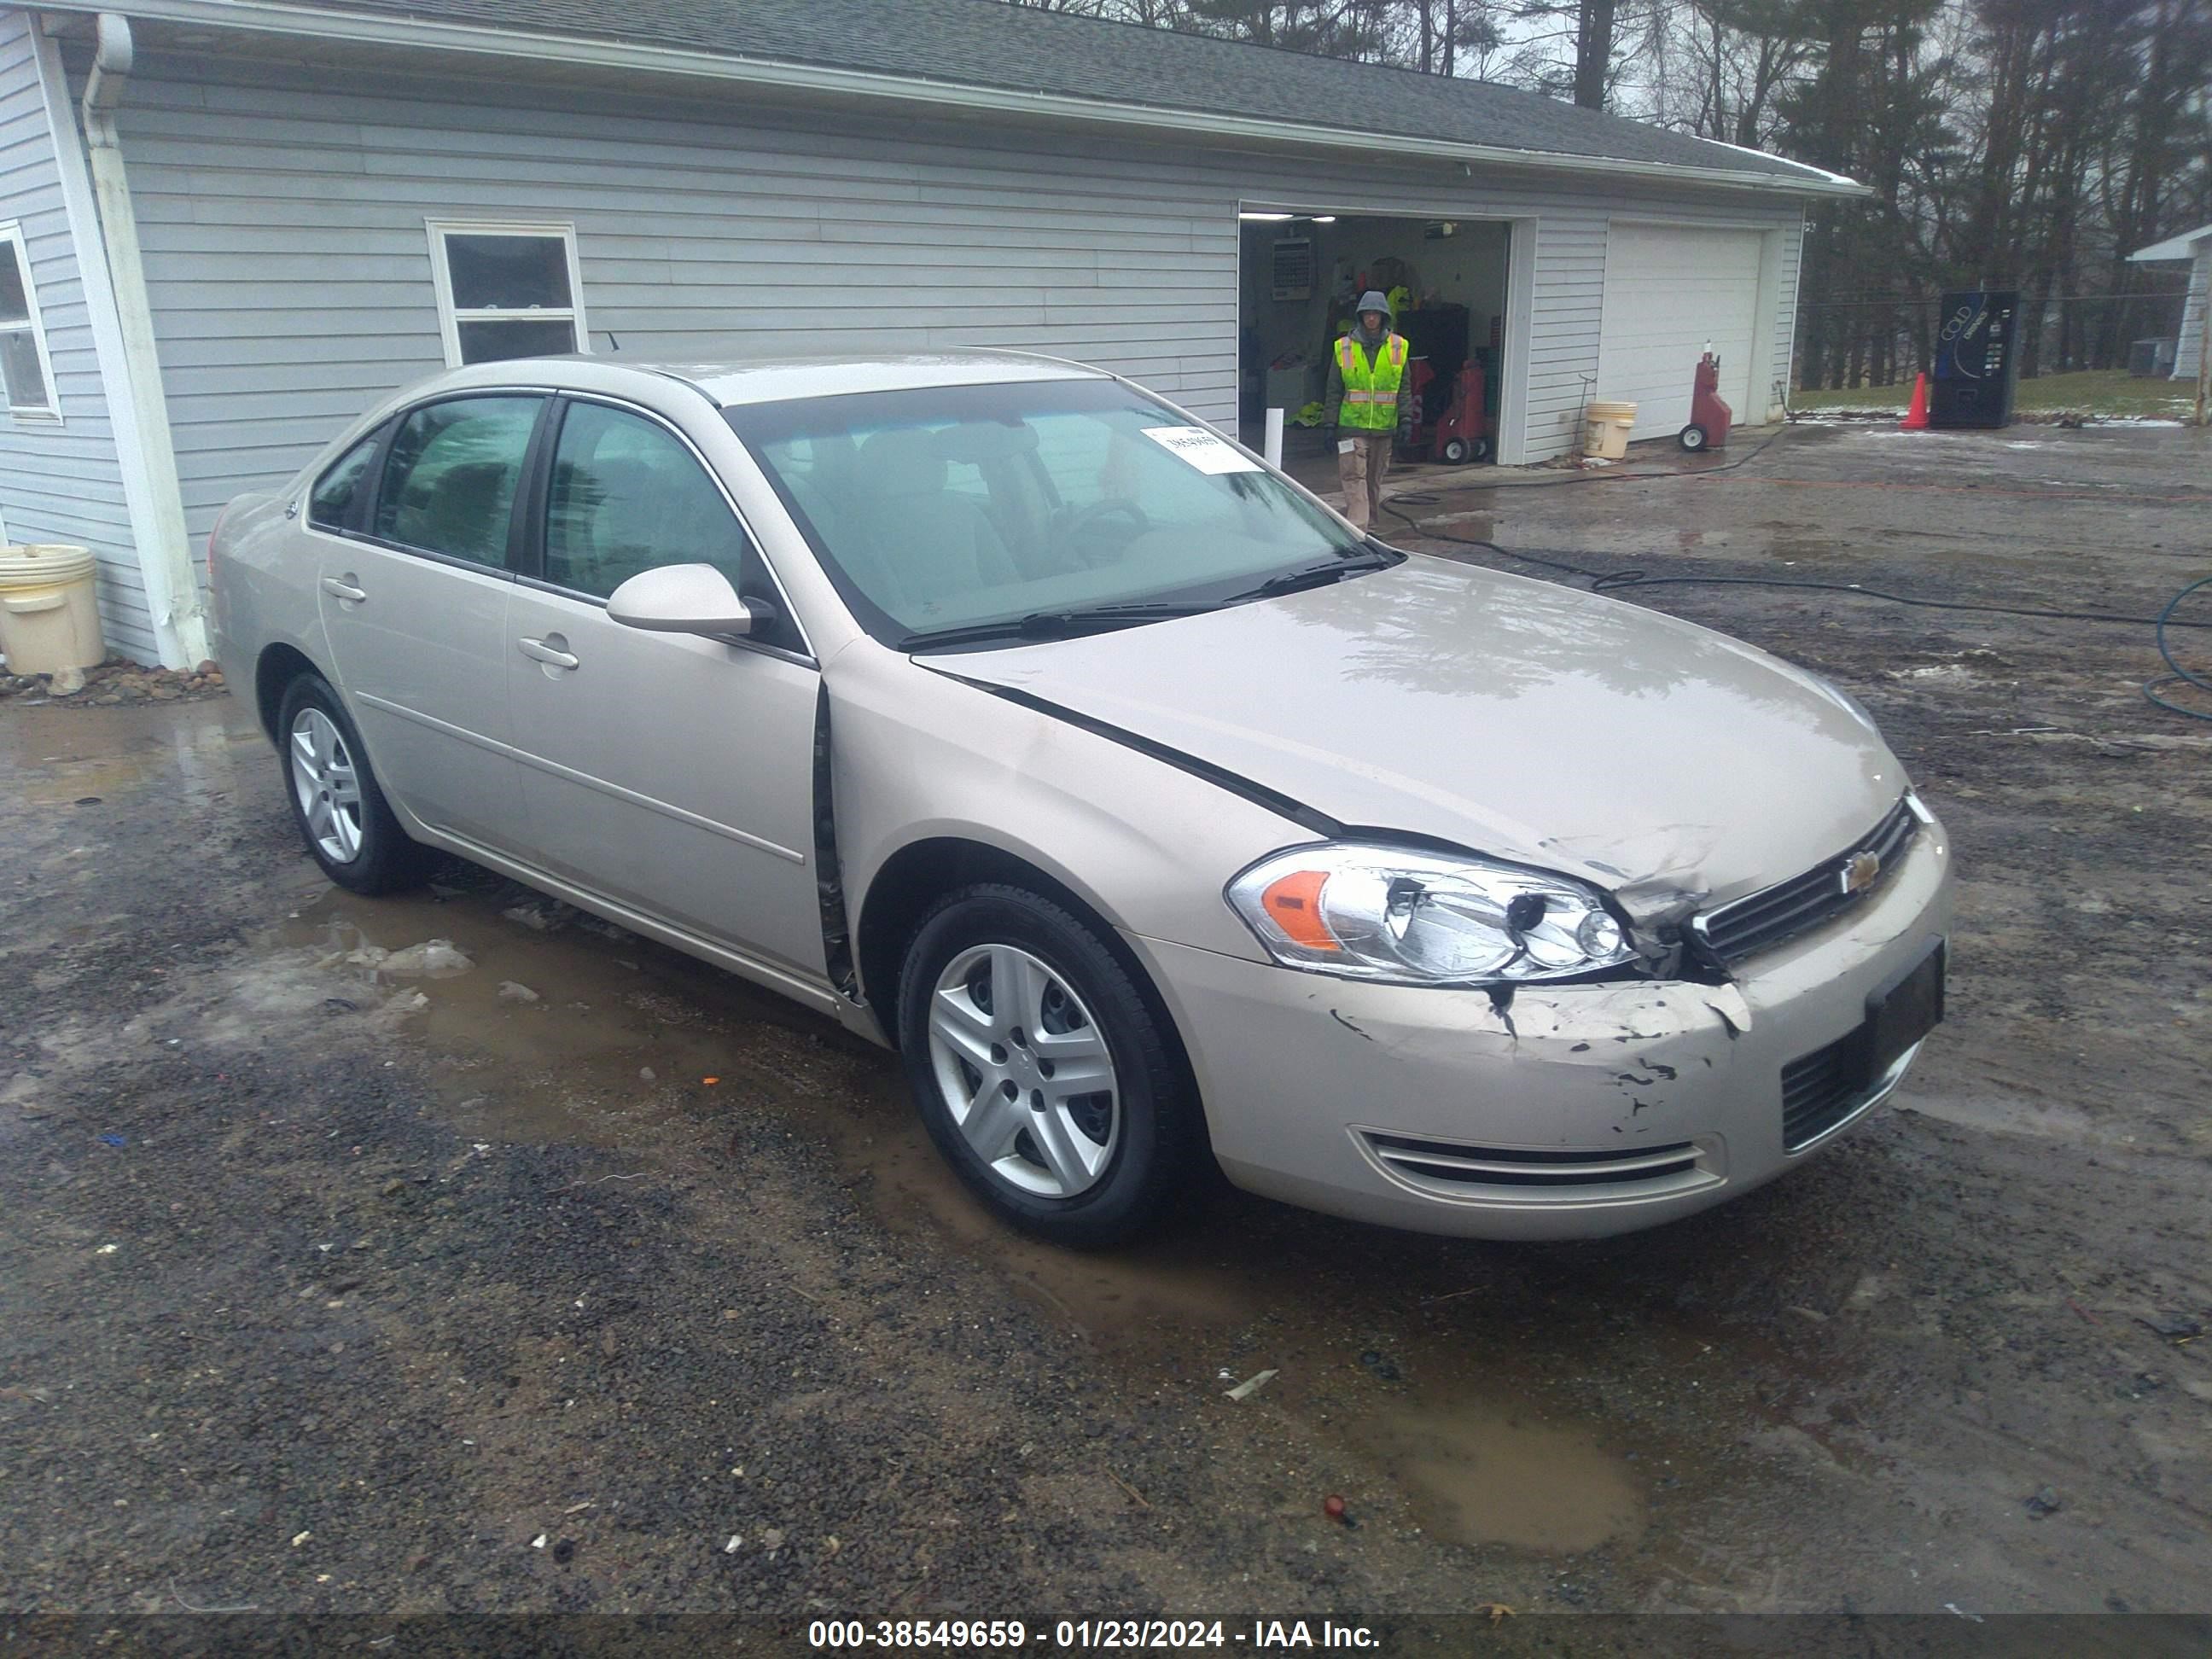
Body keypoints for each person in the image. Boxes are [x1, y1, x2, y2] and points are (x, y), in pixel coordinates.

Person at [1324, 290, 1412, 533]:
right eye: (1367, 314)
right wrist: (1330, 424)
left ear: (1384, 317)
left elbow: (1404, 387)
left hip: (1385, 427)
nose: (1371, 319)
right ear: (1360, 317)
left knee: (1374, 480)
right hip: (1352, 426)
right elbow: (1333, 389)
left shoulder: (1399, 347)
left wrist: (1406, 419)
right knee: (1354, 478)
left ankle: (1370, 527)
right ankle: (1358, 529)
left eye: (1376, 314)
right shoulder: (1343, 348)